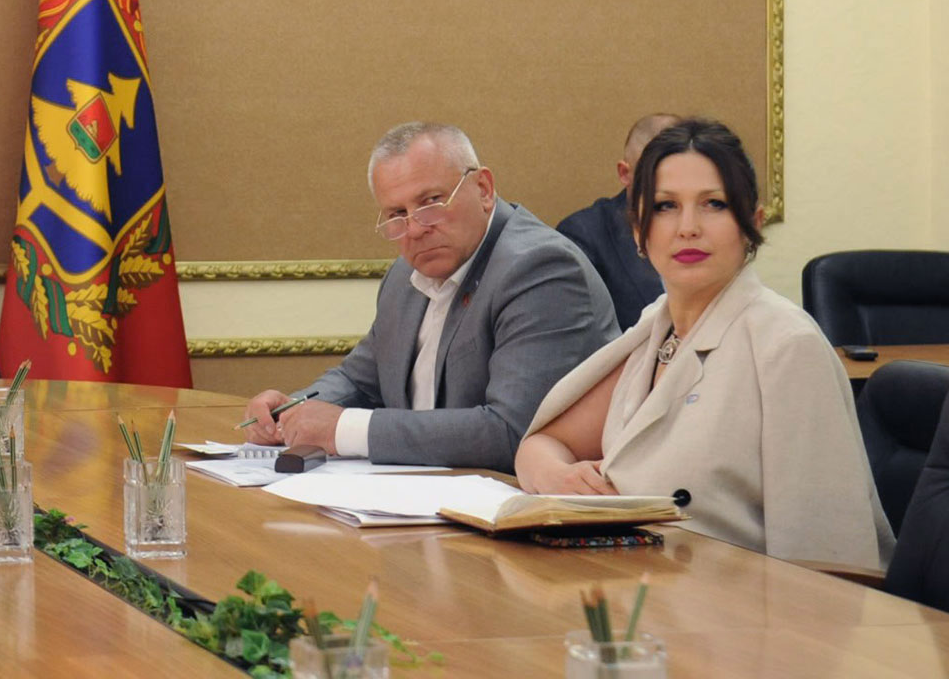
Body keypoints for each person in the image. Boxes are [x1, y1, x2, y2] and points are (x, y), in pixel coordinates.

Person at [516, 119, 892, 570]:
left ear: (752, 224)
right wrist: (561, 479)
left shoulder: (787, 346)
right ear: (637, 230)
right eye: (665, 206)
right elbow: (541, 444)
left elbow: (829, 559)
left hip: (742, 607)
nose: (688, 227)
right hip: (638, 590)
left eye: (714, 204)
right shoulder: (655, 330)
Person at [243, 122, 617, 472]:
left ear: (483, 189)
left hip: (516, 504)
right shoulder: (404, 276)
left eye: (431, 201)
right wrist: (291, 410)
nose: (415, 229)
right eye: (397, 213)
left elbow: (511, 432)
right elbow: (360, 380)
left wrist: (342, 429)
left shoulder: (540, 269)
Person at [557, 113, 681, 329]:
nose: (668, 188)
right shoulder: (584, 235)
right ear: (625, 173)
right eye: (654, 176)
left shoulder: (708, 230)